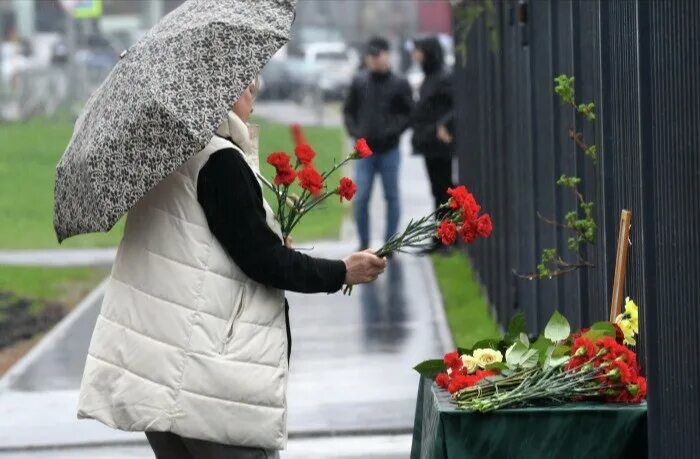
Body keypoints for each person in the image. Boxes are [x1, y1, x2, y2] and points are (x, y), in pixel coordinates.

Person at [77, 79, 387, 459]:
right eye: (249, 89)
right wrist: (342, 271)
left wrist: (266, 237)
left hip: (157, 373)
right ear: (223, 90)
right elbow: (262, 260)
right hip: (208, 381)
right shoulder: (219, 160)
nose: (253, 100)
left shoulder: (164, 156)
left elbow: (203, 245)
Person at [343, 36, 414, 251]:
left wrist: (393, 131)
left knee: (391, 196)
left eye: (377, 55)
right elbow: (349, 111)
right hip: (365, 152)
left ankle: (390, 244)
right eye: (370, 56)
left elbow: (409, 113)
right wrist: (356, 133)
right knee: (361, 196)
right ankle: (363, 243)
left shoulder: (400, 84)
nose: (373, 60)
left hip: (389, 150)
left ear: (387, 55)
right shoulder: (360, 81)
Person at [411, 36, 455, 252]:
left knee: (444, 190)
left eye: (419, 50)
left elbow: (455, 105)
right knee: (437, 190)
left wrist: (443, 124)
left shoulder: (443, 78)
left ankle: (447, 238)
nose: (415, 55)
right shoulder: (430, 77)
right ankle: (439, 238)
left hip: (440, 144)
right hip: (429, 143)